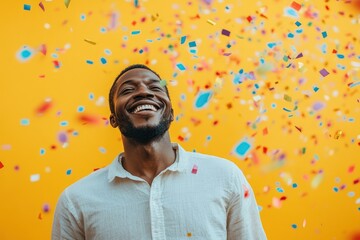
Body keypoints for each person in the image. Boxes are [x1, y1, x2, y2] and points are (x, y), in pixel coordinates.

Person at [52, 64, 267, 240]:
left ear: (171, 113)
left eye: (155, 88)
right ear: (113, 119)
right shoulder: (76, 201)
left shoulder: (225, 178)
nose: (144, 92)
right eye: (128, 90)